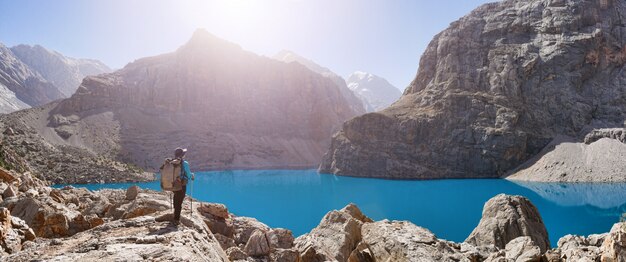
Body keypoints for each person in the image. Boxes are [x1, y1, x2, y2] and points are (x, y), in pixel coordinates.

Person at [173, 147, 194, 223]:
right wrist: (192, 175)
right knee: (179, 201)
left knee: (176, 198)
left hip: (173, 184)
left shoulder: (173, 162)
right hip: (181, 185)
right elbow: (188, 175)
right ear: (182, 155)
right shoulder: (184, 163)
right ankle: (176, 219)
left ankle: (175, 214)